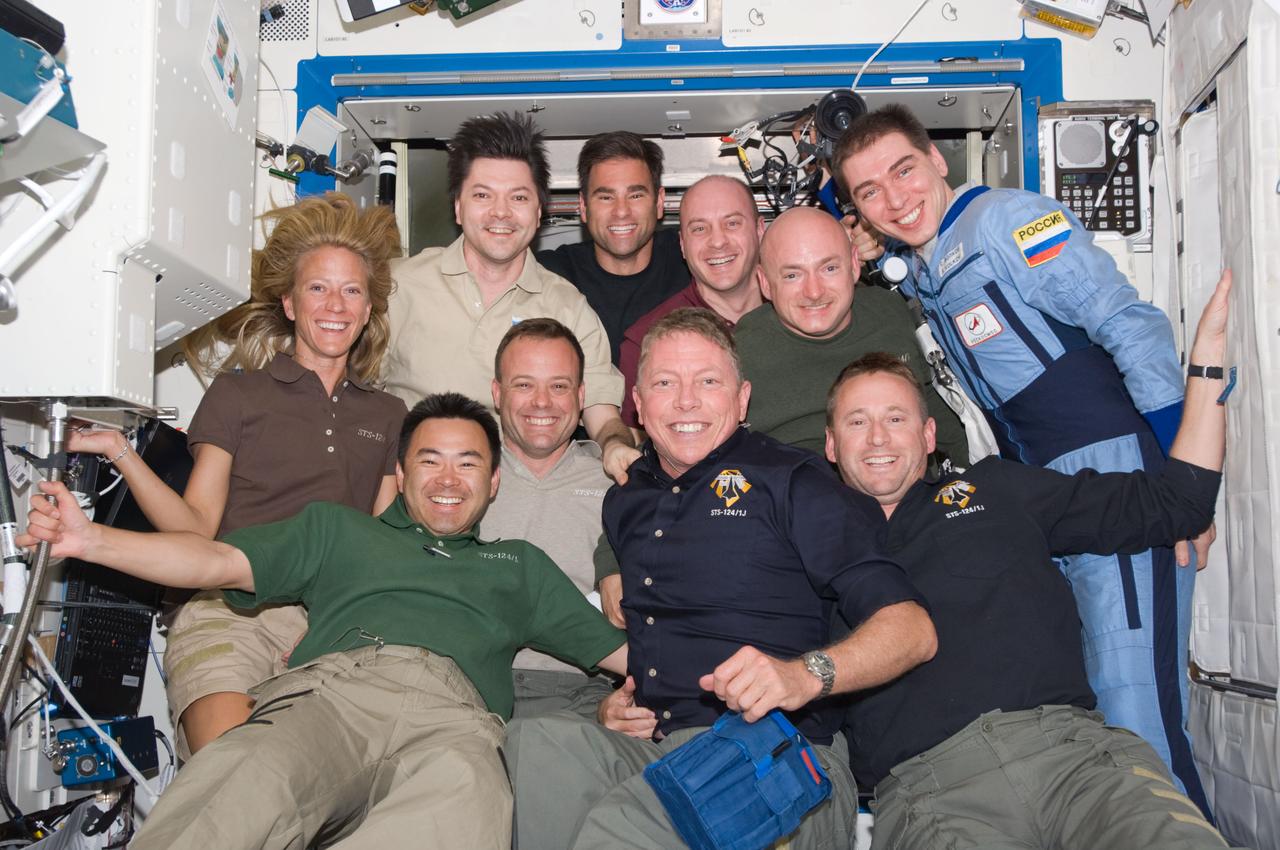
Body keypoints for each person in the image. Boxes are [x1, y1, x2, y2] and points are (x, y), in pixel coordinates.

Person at [22, 394, 627, 850]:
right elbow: (214, 559)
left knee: (470, 803)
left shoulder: (518, 565)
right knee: (244, 773)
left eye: (467, 464)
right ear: (403, 473)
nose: (447, 480)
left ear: (493, 482)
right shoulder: (340, 530)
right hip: (334, 697)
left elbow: (628, 656)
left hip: (457, 723)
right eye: (430, 461)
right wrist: (91, 538)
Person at [834, 103, 1210, 810]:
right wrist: (868, 253)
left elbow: (1130, 327)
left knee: (1139, 721)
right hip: (1044, 501)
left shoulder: (1013, 221)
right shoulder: (924, 266)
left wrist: (1177, 481)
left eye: (904, 170)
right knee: (1096, 726)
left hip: (1116, 475)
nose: (895, 198)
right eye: (869, 192)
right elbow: (912, 266)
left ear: (939, 160)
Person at [821, 270, 1236, 849]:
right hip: (931, 793)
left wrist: (1209, 360)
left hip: (1078, 763)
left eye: (895, 418)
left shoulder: (998, 490)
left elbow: (1179, 503)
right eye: (856, 422)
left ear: (927, 433)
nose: (878, 438)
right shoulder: (811, 547)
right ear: (831, 444)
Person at [506, 308, 936, 850]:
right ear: (637, 403)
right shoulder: (627, 499)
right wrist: (613, 702)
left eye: (708, 381)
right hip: (658, 742)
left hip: (775, 747)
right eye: (665, 382)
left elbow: (912, 630)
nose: (686, 401)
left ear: (742, 398)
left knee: (623, 831)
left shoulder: (794, 482)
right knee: (533, 745)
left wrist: (804, 676)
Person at [64, 193, 406, 759]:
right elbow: (197, 525)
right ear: (291, 303)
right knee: (228, 772)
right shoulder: (239, 394)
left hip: (331, 625)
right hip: (227, 612)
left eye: (352, 291)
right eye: (318, 287)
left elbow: (379, 544)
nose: (336, 305)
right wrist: (122, 452)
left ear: (369, 310)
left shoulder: (388, 414)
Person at [383, 112, 639, 482]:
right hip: (412, 497)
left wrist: (614, 443)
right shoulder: (398, 286)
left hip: (517, 499)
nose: (501, 213)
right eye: (483, 195)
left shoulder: (568, 307)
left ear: (539, 212)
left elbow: (599, 406)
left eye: (518, 197)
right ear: (458, 206)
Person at [736, 205, 968, 461]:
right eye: (792, 275)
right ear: (765, 283)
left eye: (829, 269)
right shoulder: (740, 353)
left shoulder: (892, 312)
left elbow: (940, 417)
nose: (814, 292)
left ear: (855, 265)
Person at [487, 318, 618, 718]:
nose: (541, 402)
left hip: (582, 694)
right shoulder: (461, 477)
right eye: (524, 384)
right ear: (497, 393)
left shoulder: (617, 484)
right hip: (471, 680)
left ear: (580, 396)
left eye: (558, 386)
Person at [617, 175, 765, 427]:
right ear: (683, 246)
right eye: (699, 228)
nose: (717, 241)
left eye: (732, 223)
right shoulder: (645, 341)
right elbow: (635, 443)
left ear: (760, 230)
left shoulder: (803, 311)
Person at [536, 131, 689, 362]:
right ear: (584, 206)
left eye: (636, 195)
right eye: (606, 197)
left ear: (659, 202)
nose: (621, 211)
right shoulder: (548, 273)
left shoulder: (692, 261)